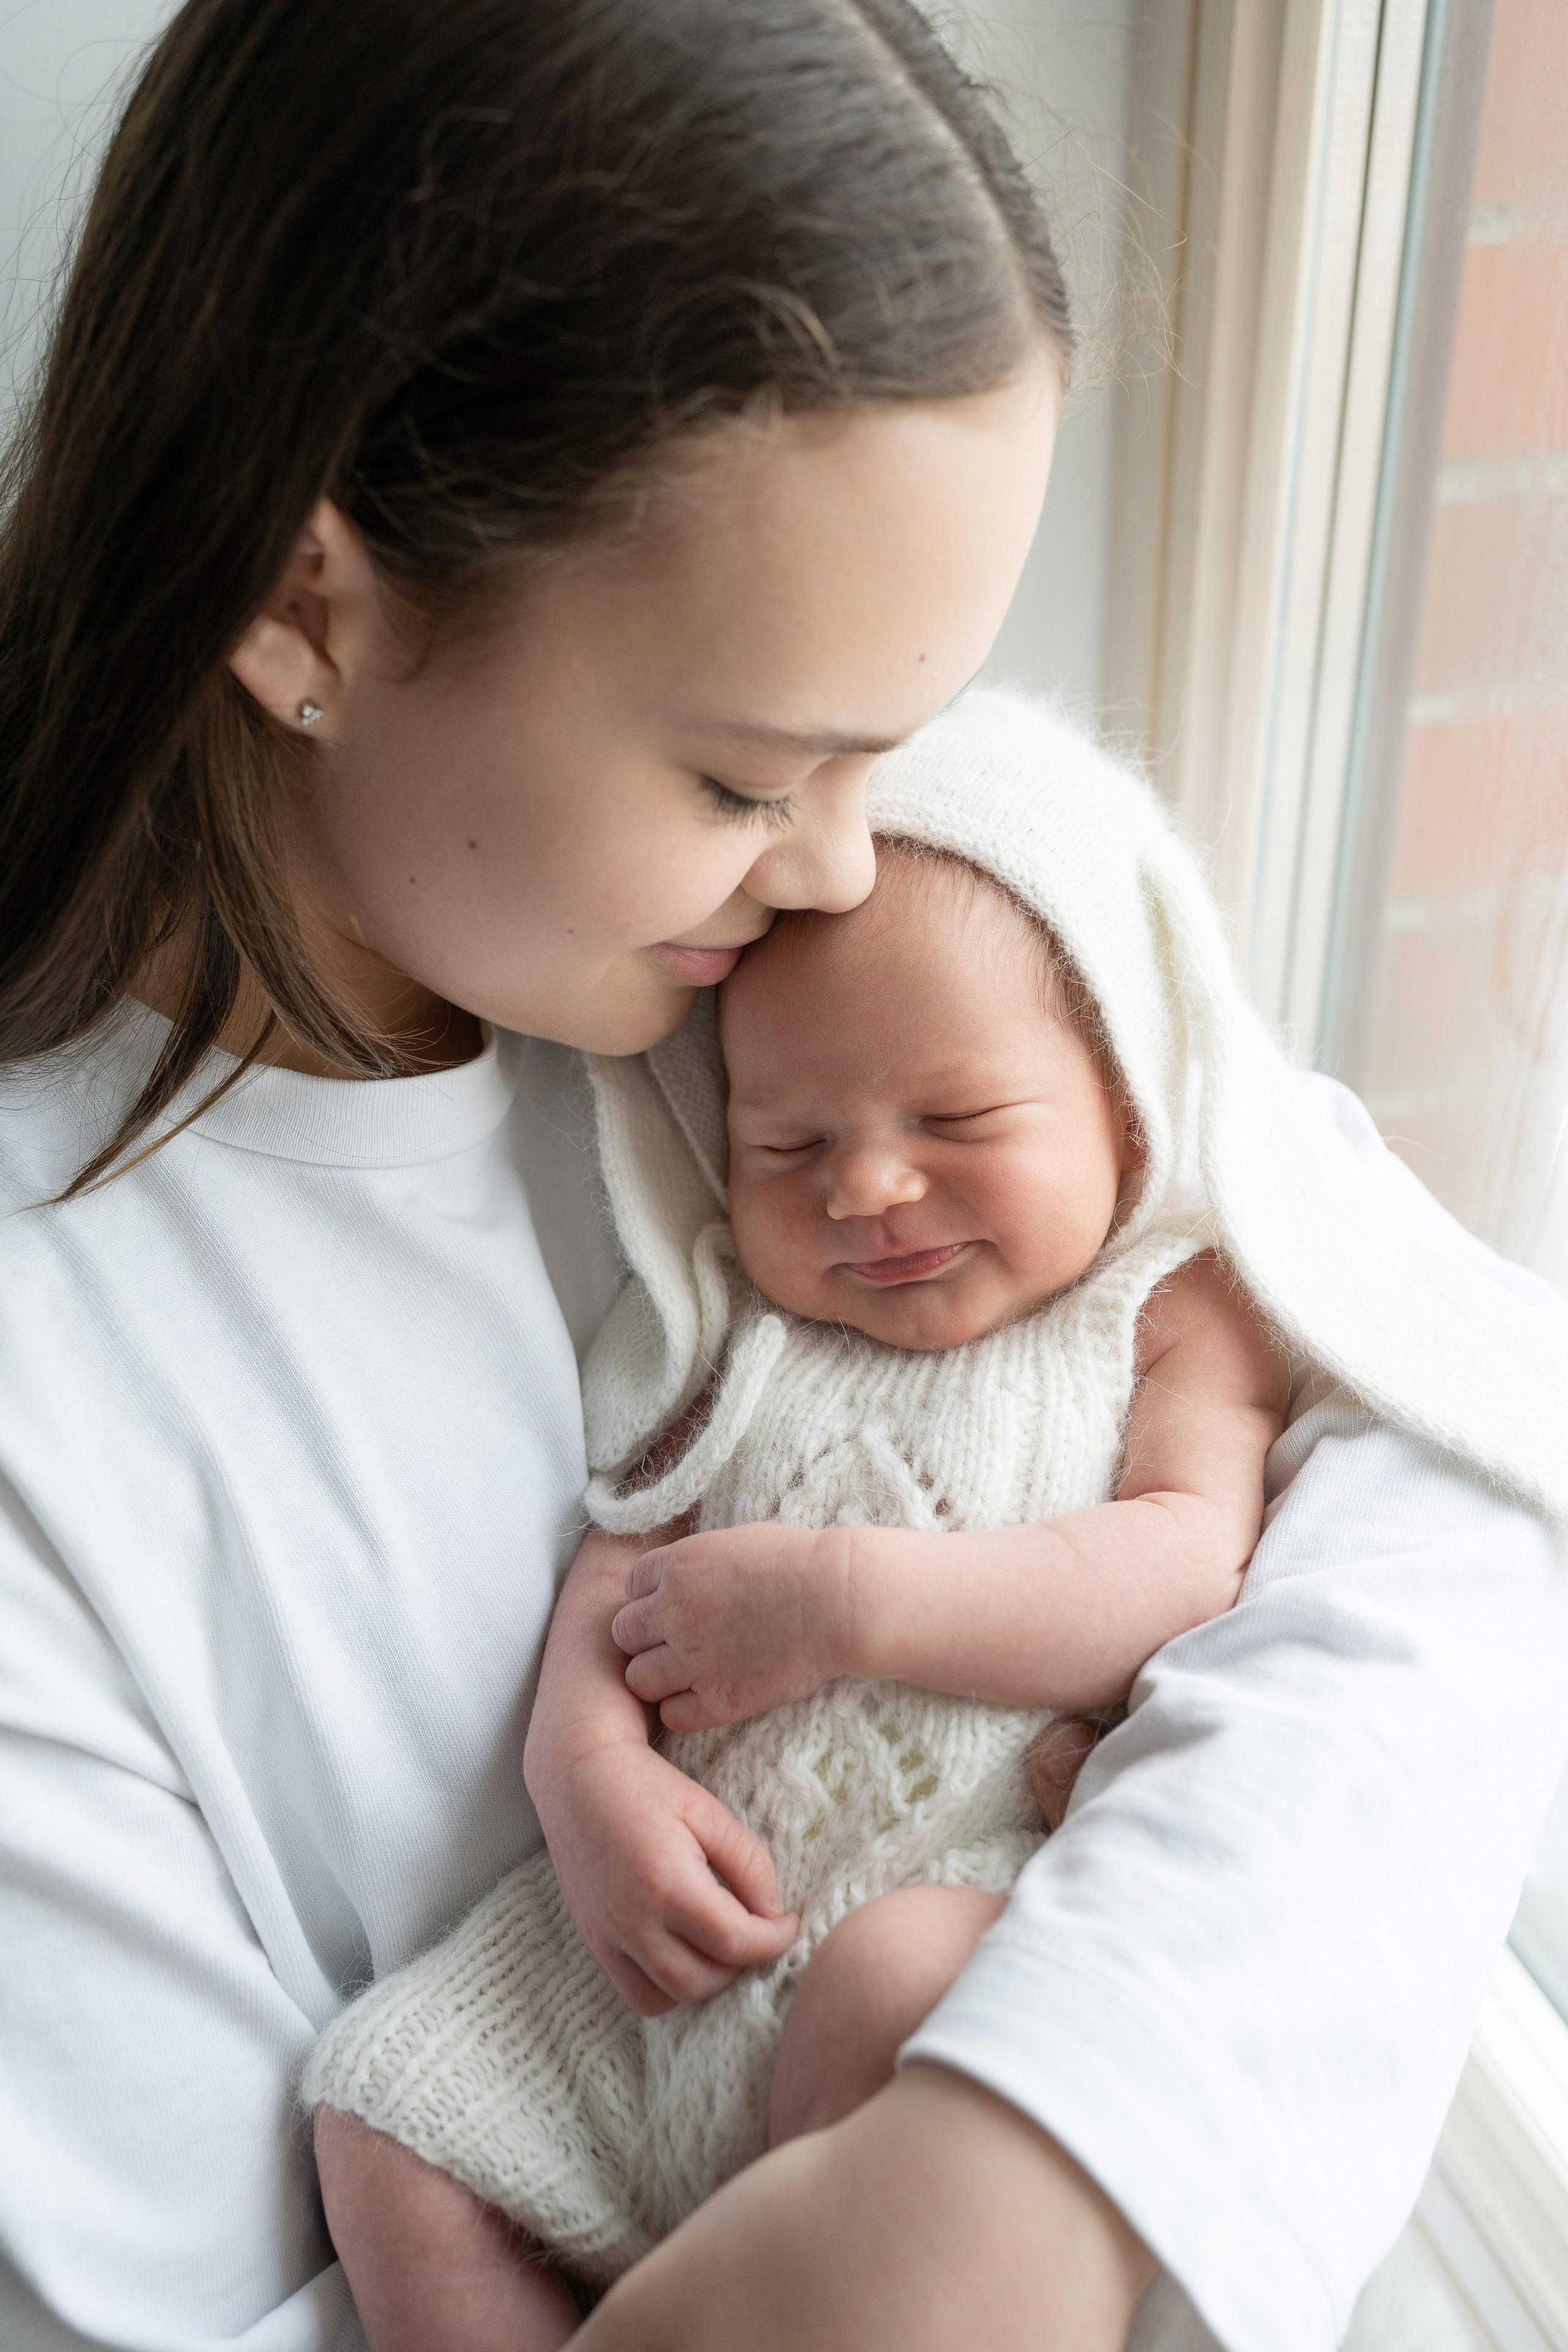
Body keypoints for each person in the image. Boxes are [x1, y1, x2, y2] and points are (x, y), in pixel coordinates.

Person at [0, 4, 1562, 2351]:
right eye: (751, 776)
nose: (846, 865)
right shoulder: (71, 1385)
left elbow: (1452, 1424)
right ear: (309, 608)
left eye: (893, 748)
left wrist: (1020, 2152)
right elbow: (208, 2298)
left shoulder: (788, 970)